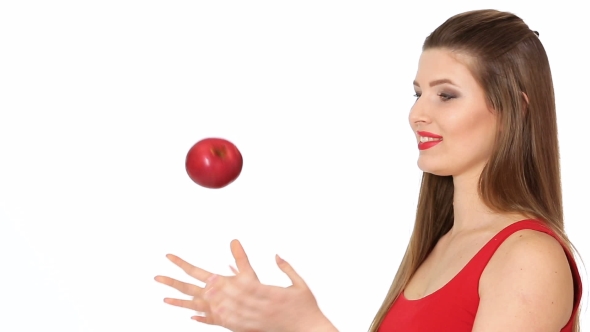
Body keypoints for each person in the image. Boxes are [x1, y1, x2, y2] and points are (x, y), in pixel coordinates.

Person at [154, 9, 583, 332]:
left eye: (446, 95)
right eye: (417, 93)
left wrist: (309, 326)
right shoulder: (440, 244)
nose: (418, 114)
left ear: (514, 111)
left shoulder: (528, 257)